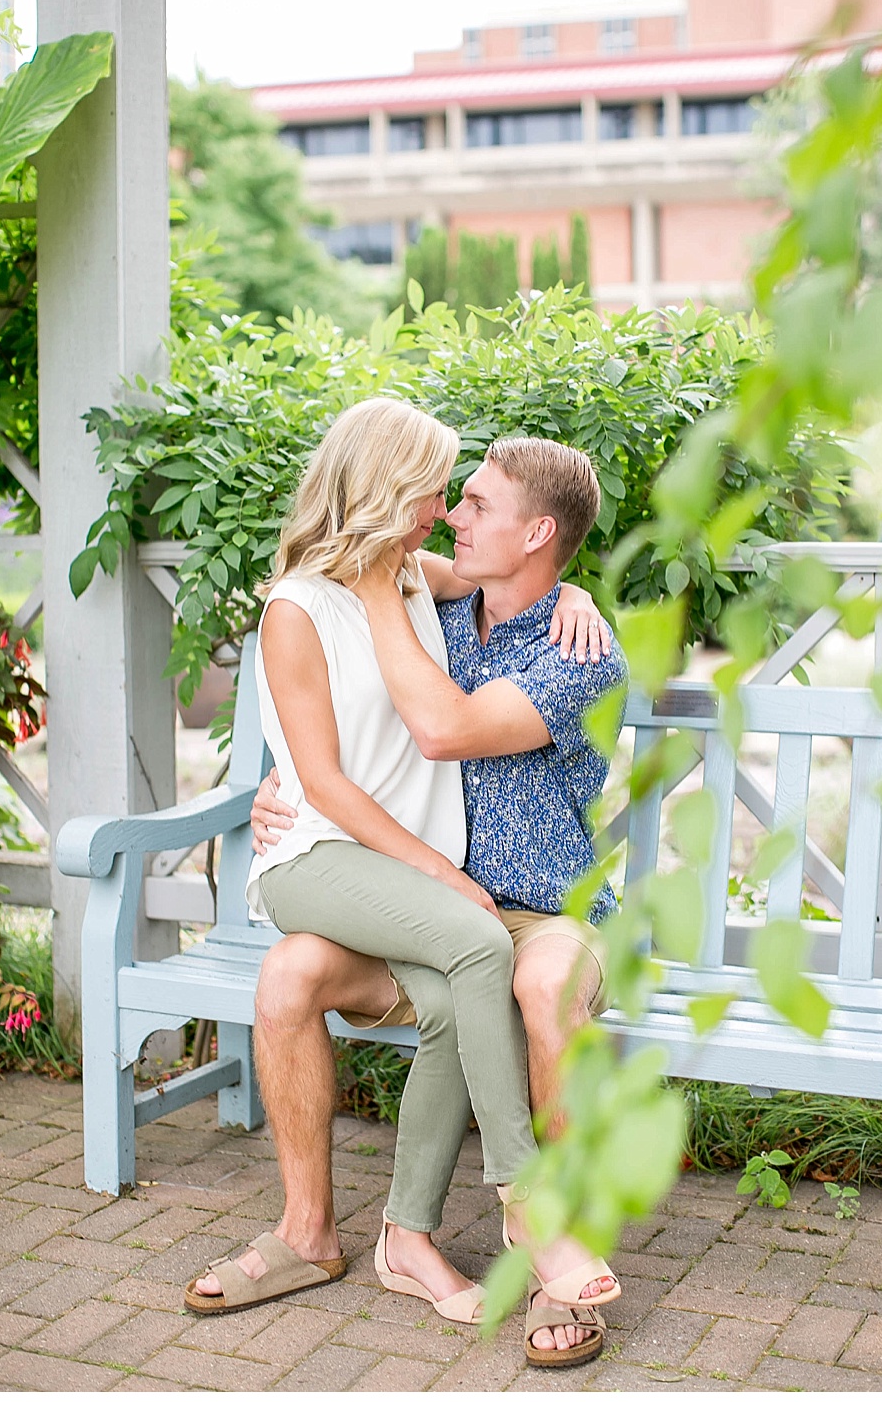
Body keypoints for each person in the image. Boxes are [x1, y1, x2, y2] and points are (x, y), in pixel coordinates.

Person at [183, 400, 618, 1364]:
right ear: (389, 493)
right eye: (440, 493)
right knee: (369, 962)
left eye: (469, 498)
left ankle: (409, 1239)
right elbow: (327, 770)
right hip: (358, 864)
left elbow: (453, 701)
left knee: (496, 986)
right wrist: (289, 788)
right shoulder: (343, 598)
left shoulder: (445, 594)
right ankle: (498, 1202)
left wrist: (573, 594)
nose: (450, 513)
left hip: (504, 896)